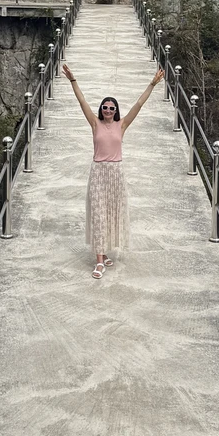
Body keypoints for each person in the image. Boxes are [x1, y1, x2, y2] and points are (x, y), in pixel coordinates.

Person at [61, 61, 165, 278]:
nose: (108, 110)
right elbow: (82, 101)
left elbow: (138, 104)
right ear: (101, 110)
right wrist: (73, 80)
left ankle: (103, 252)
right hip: (99, 172)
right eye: (105, 107)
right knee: (98, 214)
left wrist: (152, 84)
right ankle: (99, 261)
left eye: (111, 108)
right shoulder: (94, 123)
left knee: (110, 214)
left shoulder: (122, 125)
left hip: (116, 173)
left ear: (116, 111)